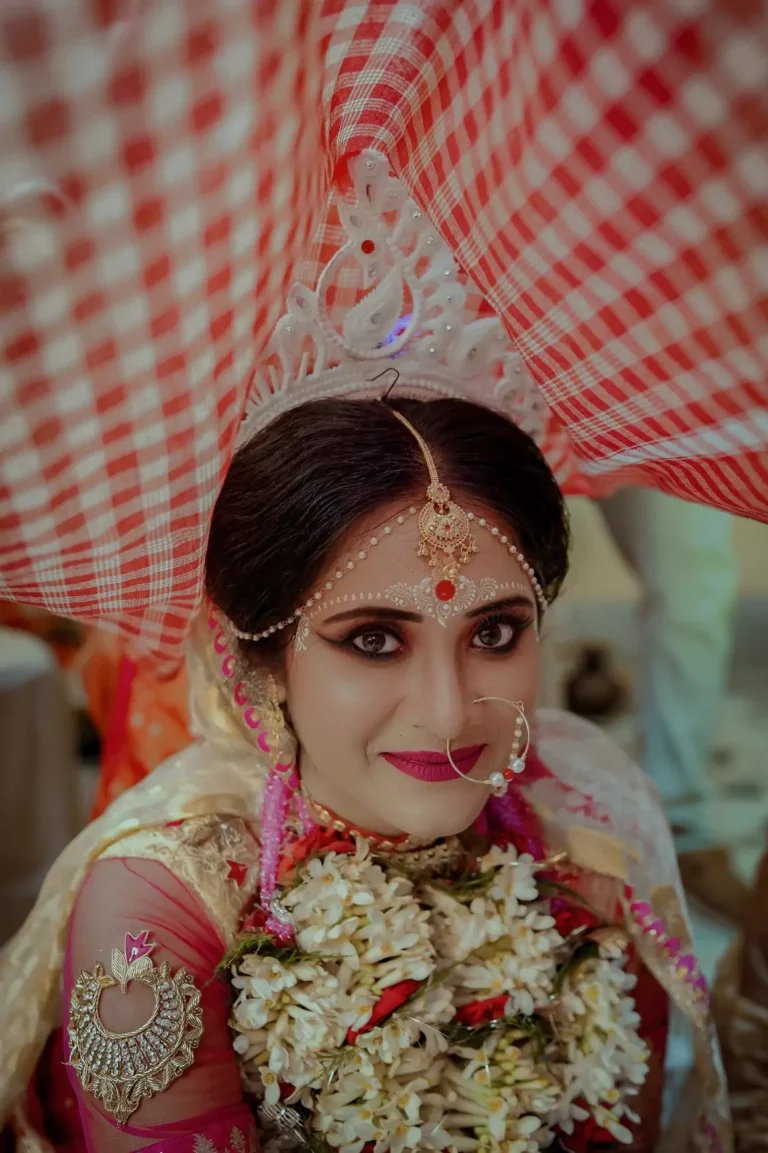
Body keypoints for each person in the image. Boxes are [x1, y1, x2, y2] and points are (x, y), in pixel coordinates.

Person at [0, 158, 728, 1152]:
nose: (446, 707)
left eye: (496, 632)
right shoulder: (165, 906)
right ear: (258, 662)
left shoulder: (594, 834)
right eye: (374, 639)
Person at [599, 488, 748, 924]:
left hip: (643, 417)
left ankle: (680, 823)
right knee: (506, 559)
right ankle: (498, 809)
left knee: (694, 580)